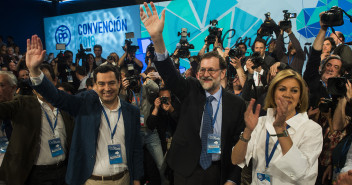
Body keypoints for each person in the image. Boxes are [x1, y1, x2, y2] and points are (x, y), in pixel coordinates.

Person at [140, 2, 246, 184]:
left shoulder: (236, 104)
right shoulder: (190, 88)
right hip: (185, 173)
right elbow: (170, 74)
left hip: (218, 174)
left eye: (211, 70)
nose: (205, 74)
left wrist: (233, 179)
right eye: (202, 70)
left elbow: (239, 144)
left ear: (222, 73)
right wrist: (157, 38)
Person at [26, 35, 143, 185]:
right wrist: (34, 71)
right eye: (101, 84)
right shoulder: (85, 103)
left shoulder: (131, 111)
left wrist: (137, 179)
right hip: (92, 180)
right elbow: (57, 97)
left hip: (124, 179)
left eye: (111, 83)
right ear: (95, 85)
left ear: (119, 82)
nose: (107, 88)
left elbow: (136, 149)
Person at [231, 69, 323, 184]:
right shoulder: (260, 122)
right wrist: (247, 131)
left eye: (294, 91)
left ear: (300, 97)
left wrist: (280, 128)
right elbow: (236, 159)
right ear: (273, 93)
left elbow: (299, 172)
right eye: (282, 89)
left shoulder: (312, 129)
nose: (287, 95)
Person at [0, 64, 75, 185]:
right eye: (35, 80)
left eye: (43, 80)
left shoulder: (64, 106)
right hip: (36, 174)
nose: (39, 85)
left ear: (55, 81)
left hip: (64, 172)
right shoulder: (23, 103)